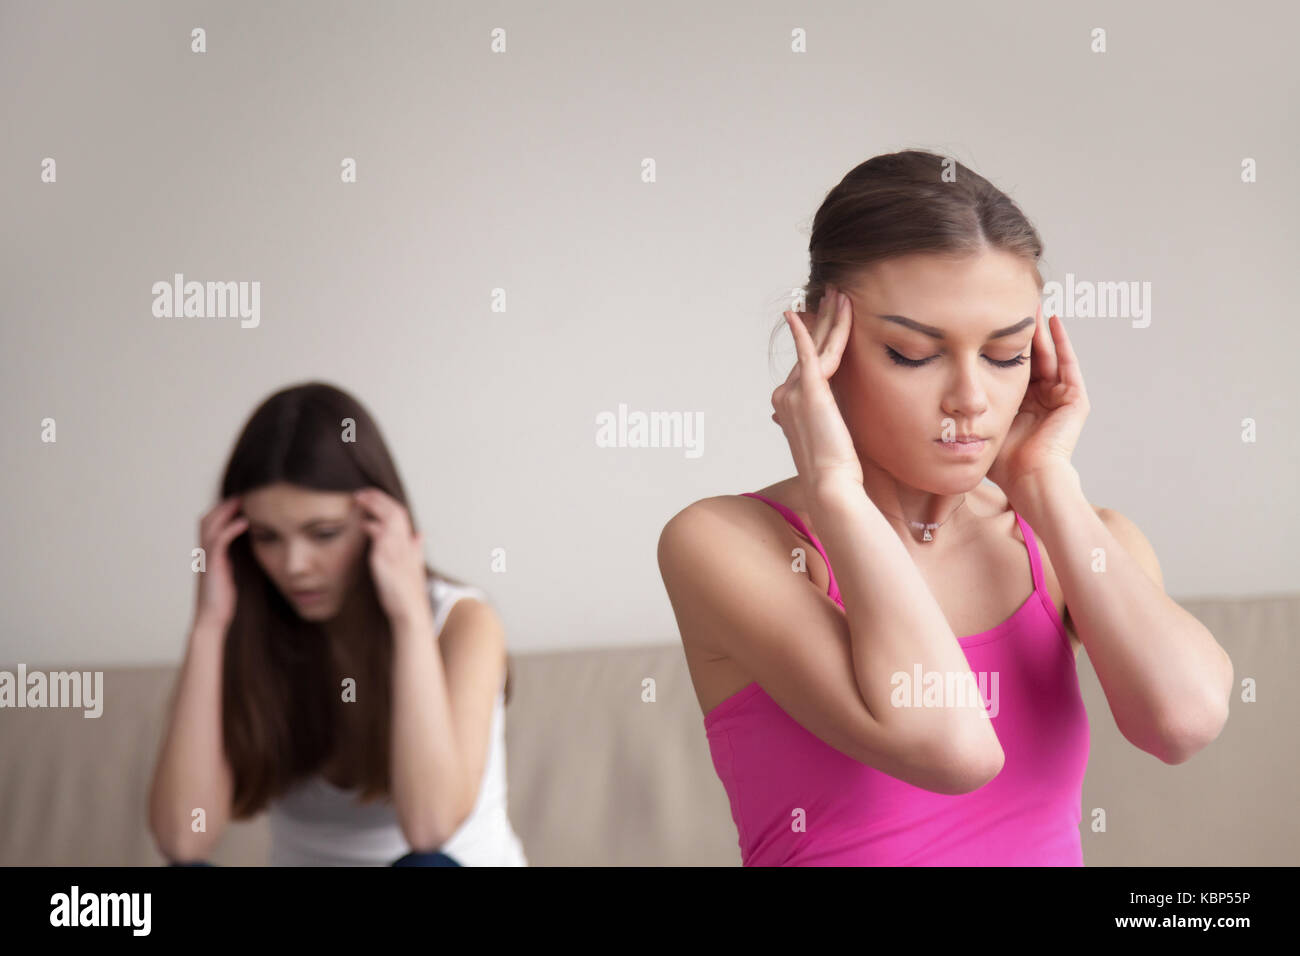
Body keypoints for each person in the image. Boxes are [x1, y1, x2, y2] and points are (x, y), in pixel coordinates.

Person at [656, 149, 1230, 866]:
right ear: (818, 346)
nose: (971, 398)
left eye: (1005, 354)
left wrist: (1046, 481)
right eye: (912, 354)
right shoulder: (726, 542)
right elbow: (951, 749)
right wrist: (835, 488)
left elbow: (1183, 723)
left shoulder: (1076, 542)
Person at [148, 382, 528, 866]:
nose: (294, 565)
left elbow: (430, 827)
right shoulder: (250, 633)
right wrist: (208, 625)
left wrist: (408, 615)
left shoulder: (461, 622)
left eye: (324, 534)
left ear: (382, 523)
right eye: (267, 538)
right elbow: (182, 839)